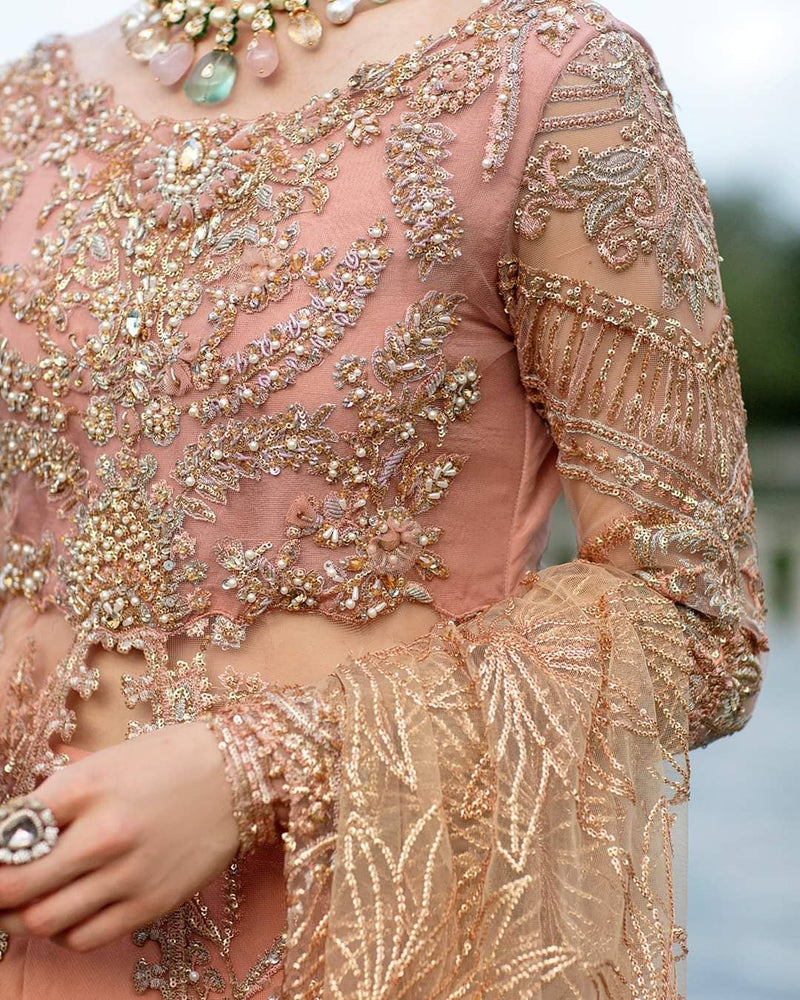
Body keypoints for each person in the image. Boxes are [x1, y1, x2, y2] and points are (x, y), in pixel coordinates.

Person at [0, 0, 770, 997]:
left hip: (365, 940)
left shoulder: (545, 82)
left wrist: (255, 766)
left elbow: (695, 617)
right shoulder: (29, 102)